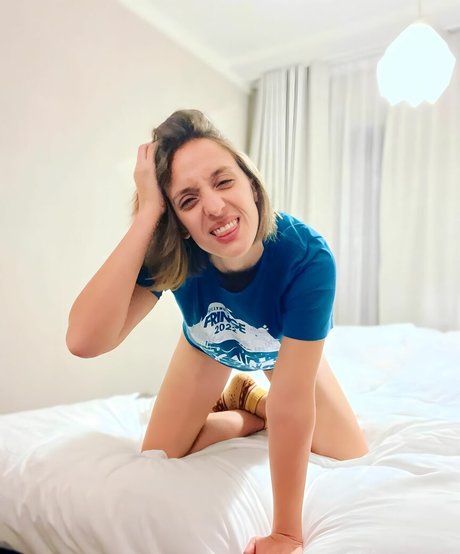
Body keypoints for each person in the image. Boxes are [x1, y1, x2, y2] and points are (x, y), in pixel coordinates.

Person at [66, 109, 368, 554]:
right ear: (178, 222)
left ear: (252, 185)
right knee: (160, 456)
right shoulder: (176, 254)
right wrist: (147, 214)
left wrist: (286, 533)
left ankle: (257, 399)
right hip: (206, 347)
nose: (213, 207)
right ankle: (249, 412)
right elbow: (84, 341)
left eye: (223, 182)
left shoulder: (307, 257)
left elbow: (293, 403)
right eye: (187, 200)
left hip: (280, 351)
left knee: (349, 451)